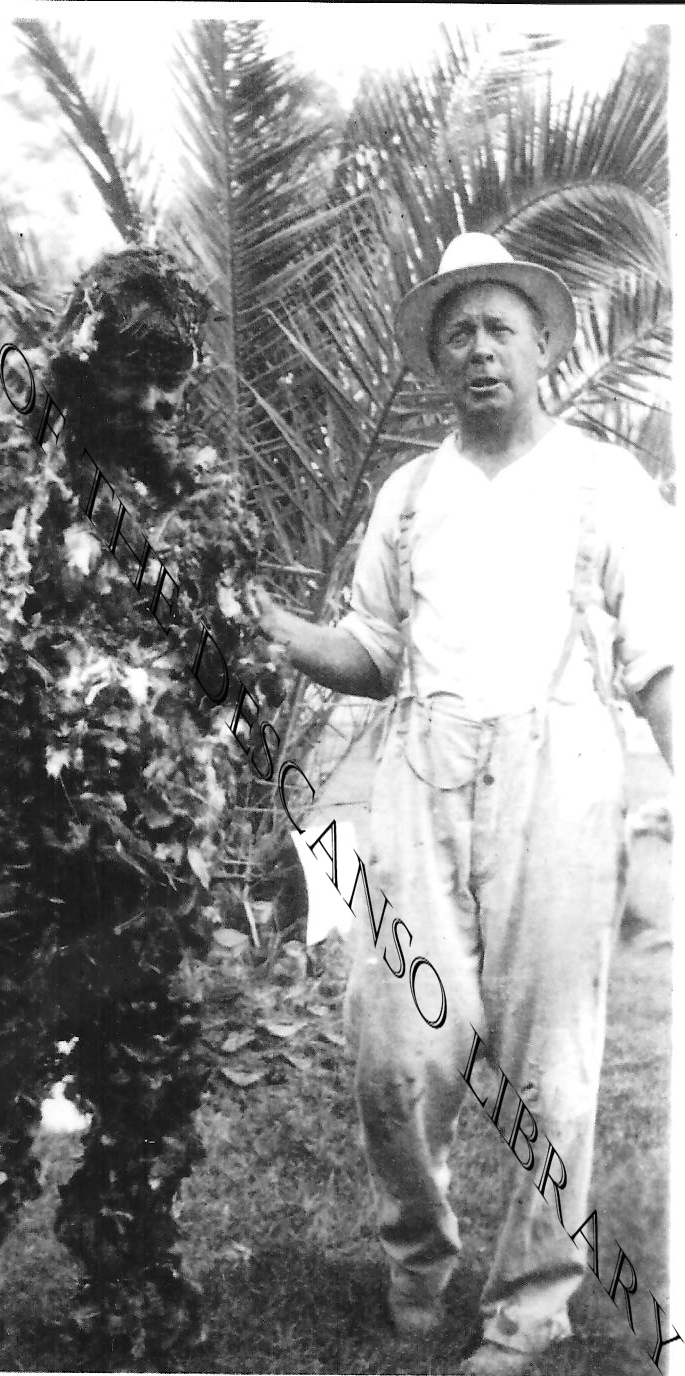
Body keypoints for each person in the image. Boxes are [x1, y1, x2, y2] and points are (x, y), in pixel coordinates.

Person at [249, 233, 673, 1375]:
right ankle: (418, 1258)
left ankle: (531, 1305)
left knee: (553, 1062)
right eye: (457, 334)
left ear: (545, 347)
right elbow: (375, 651)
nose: (478, 350)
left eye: (500, 329)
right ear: (438, 360)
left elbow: (660, 661)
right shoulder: (410, 492)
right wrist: (289, 636)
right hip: (420, 770)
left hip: (562, 775)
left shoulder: (604, 482)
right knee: (398, 1046)